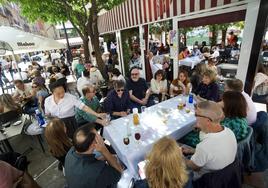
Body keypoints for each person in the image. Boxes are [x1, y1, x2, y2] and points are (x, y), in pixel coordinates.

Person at [182, 101, 237, 180]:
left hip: (207, 179)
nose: (195, 117)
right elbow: (213, 153)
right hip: (226, 175)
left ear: (208, 121)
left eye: (196, 115)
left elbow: (194, 167)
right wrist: (193, 151)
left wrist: (179, 157)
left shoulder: (204, 147)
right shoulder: (229, 131)